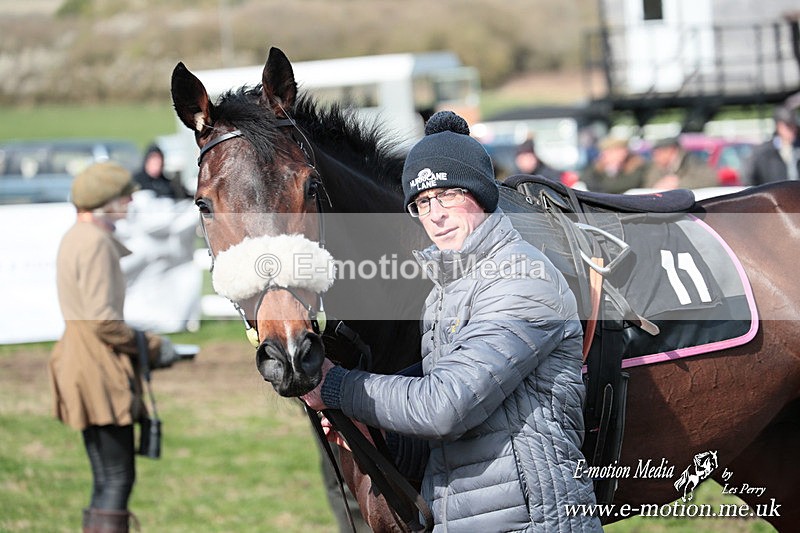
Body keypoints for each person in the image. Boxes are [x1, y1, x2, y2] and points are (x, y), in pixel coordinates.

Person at [302, 111, 601, 532]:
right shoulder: (448, 288)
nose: (435, 213)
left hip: (534, 518)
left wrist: (334, 385)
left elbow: (445, 407)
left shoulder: (522, 280)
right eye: (422, 201)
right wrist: (362, 421)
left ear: (481, 194)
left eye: (449, 193)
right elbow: (446, 439)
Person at [49, 162, 181, 532]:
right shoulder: (94, 242)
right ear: (107, 202)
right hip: (97, 367)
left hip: (82, 360)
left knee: (107, 478)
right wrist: (153, 346)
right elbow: (102, 321)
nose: (130, 203)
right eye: (125, 197)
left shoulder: (77, 236)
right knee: (117, 478)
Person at [742, 106, 799, 185]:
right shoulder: (762, 153)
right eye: (788, 126)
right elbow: (750, 179)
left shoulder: (797, 148)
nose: (793, 130)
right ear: (779, 126)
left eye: (794, 126)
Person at [643, 136, 718, 190]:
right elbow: (648, 186)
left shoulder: (692, 161)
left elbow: (711, 180)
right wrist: (658, 185)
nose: (655, 158)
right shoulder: (657, 167)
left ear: (670, 151)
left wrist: (678, 184)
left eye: (658, 154)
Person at [581, 135, 648, 193]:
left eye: (611, 152)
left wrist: (613, 170)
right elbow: (586, 179)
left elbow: (617, 187)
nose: (605, 155)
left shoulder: (637, 165)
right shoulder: (598, 167)